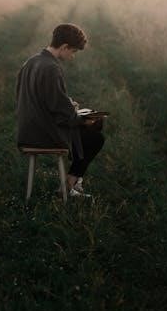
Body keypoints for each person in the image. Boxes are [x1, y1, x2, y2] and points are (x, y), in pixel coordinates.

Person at [16, 23, 105, 197]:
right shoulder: (51, 68)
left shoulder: (31, 62)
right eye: (73, 51)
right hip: (43, 133)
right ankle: (68, 186)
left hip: (28, 128)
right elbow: (60, 112)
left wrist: (70, 106)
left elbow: (41, 99)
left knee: (94, 124)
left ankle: (73, 182)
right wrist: (81, 118)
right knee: (96, 136)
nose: (72, 56)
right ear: (64, 47)